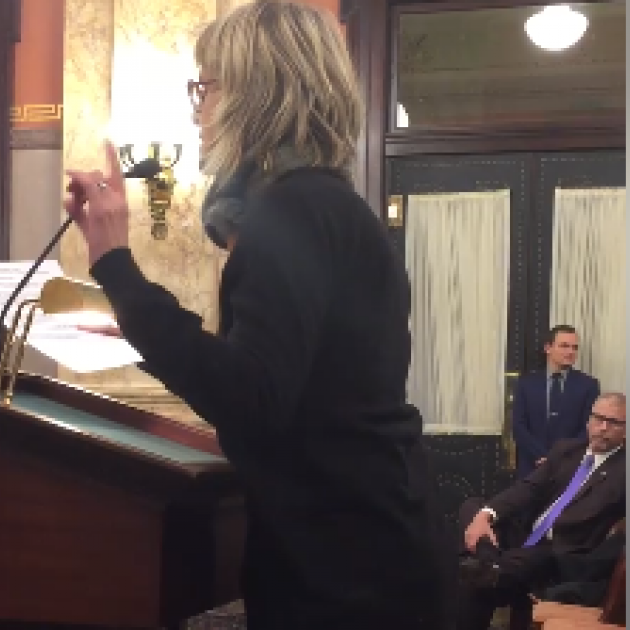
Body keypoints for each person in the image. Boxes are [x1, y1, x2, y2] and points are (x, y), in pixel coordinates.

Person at [64, 3, 450, 629]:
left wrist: (115, 264)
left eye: (205, 86)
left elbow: (252, 396)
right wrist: (144, 333)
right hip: (375, 546)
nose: (197, 109)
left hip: (345, 574)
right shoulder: (329, 205)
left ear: (254, 92)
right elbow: (311, 391)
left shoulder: (289, 212)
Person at [457, 392, 626, 630]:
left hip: (560, 552)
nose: (603, 427)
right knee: (473, 507)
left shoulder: (623, 471)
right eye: (598, 418)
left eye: (614, 422)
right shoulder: (566, 450)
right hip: (527, 535)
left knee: (476, 586)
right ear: (589, 420)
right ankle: (490, 565)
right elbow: (528, 489)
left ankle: (487, 568)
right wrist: (486, 516)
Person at [512, 324, 600, 477]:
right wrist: (541, 456)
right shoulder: (526, 383)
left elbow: (589, 427)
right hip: (532, 466)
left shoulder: (588, 385)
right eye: (564, 346)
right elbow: (518, 426)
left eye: (574, 347)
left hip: (570, 467)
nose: (570, 352)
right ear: (548, 348)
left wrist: (559, 457)